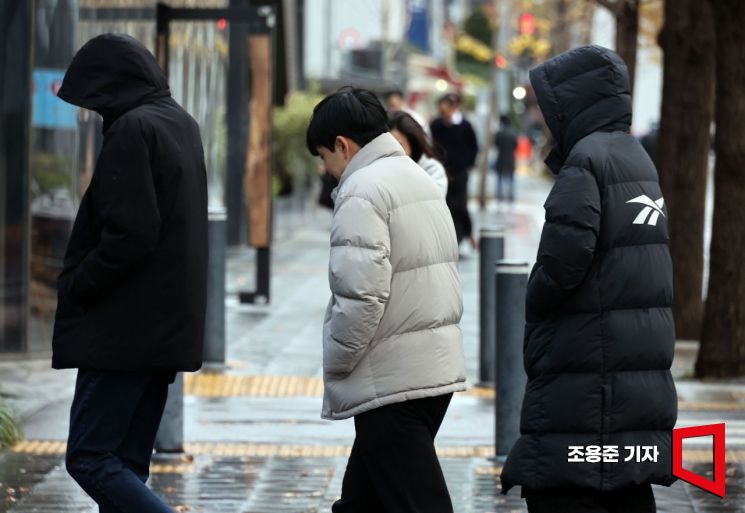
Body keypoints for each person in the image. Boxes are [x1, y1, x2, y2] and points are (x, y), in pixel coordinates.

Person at [501, 45, 677, 513]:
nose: (543, 115)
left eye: (547, 103)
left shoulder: (587, 160)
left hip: (587, 364)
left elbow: (563, 263)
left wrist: (534, 302)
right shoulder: (635, 157)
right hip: (632, 364)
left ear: (572, 103)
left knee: (567, 485)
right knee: (624, 484)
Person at [52, 34, 208, 513]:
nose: (94, 113)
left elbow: (129, 235)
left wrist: (78, 284)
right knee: (125, 463)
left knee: (91, 458)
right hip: (162, 331)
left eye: (95, 100)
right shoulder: (179, 123)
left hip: (123, 331)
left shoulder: (133, 129)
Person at [306, 87, 466, 513]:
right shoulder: (417, 175)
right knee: (364, 501)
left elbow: (362, 295)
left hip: (393, 379)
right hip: (428, 366)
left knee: (416, 502)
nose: (327, 170)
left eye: (324, 157)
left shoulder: (362, 189)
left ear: (342, 145)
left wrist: (337, 362)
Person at [430, 93, 479, 250]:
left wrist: (464, 165)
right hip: (441, 171)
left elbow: (473, 148)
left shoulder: (465, 126)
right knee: (444, 204)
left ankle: (466, 234)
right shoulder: (436, 125)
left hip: (460, 172)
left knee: (460, 205)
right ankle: (450, 237)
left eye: (447, 110)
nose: (444, 113)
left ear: (454, 108)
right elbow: (432, 146)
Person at [388, 110, 448, 196]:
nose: (392, 151)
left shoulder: (432, 169)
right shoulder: (376, 171)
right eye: (387, 145)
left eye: (399, 145)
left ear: (412, 143)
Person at [494, 114, 518, 202]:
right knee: (511, 179)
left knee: (499, 179)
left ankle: (499, 196)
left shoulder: (499, 133)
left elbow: (496, 144)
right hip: (510, 159)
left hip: (501, 158)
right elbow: (516, 145)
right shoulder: (513, 133)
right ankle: (511, 196)